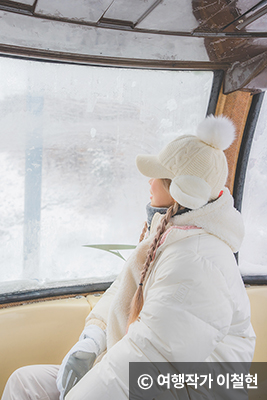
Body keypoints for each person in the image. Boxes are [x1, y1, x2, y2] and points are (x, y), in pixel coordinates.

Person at [1, 115, 255, 400]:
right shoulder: (170, 233)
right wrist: (93, 339)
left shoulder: (197, 262)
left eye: (157, 175)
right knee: (25, 383)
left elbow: (150, 362)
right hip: (139, 374)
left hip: (184, 390)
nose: (149, 180)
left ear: (180, 192)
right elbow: (128, 289)